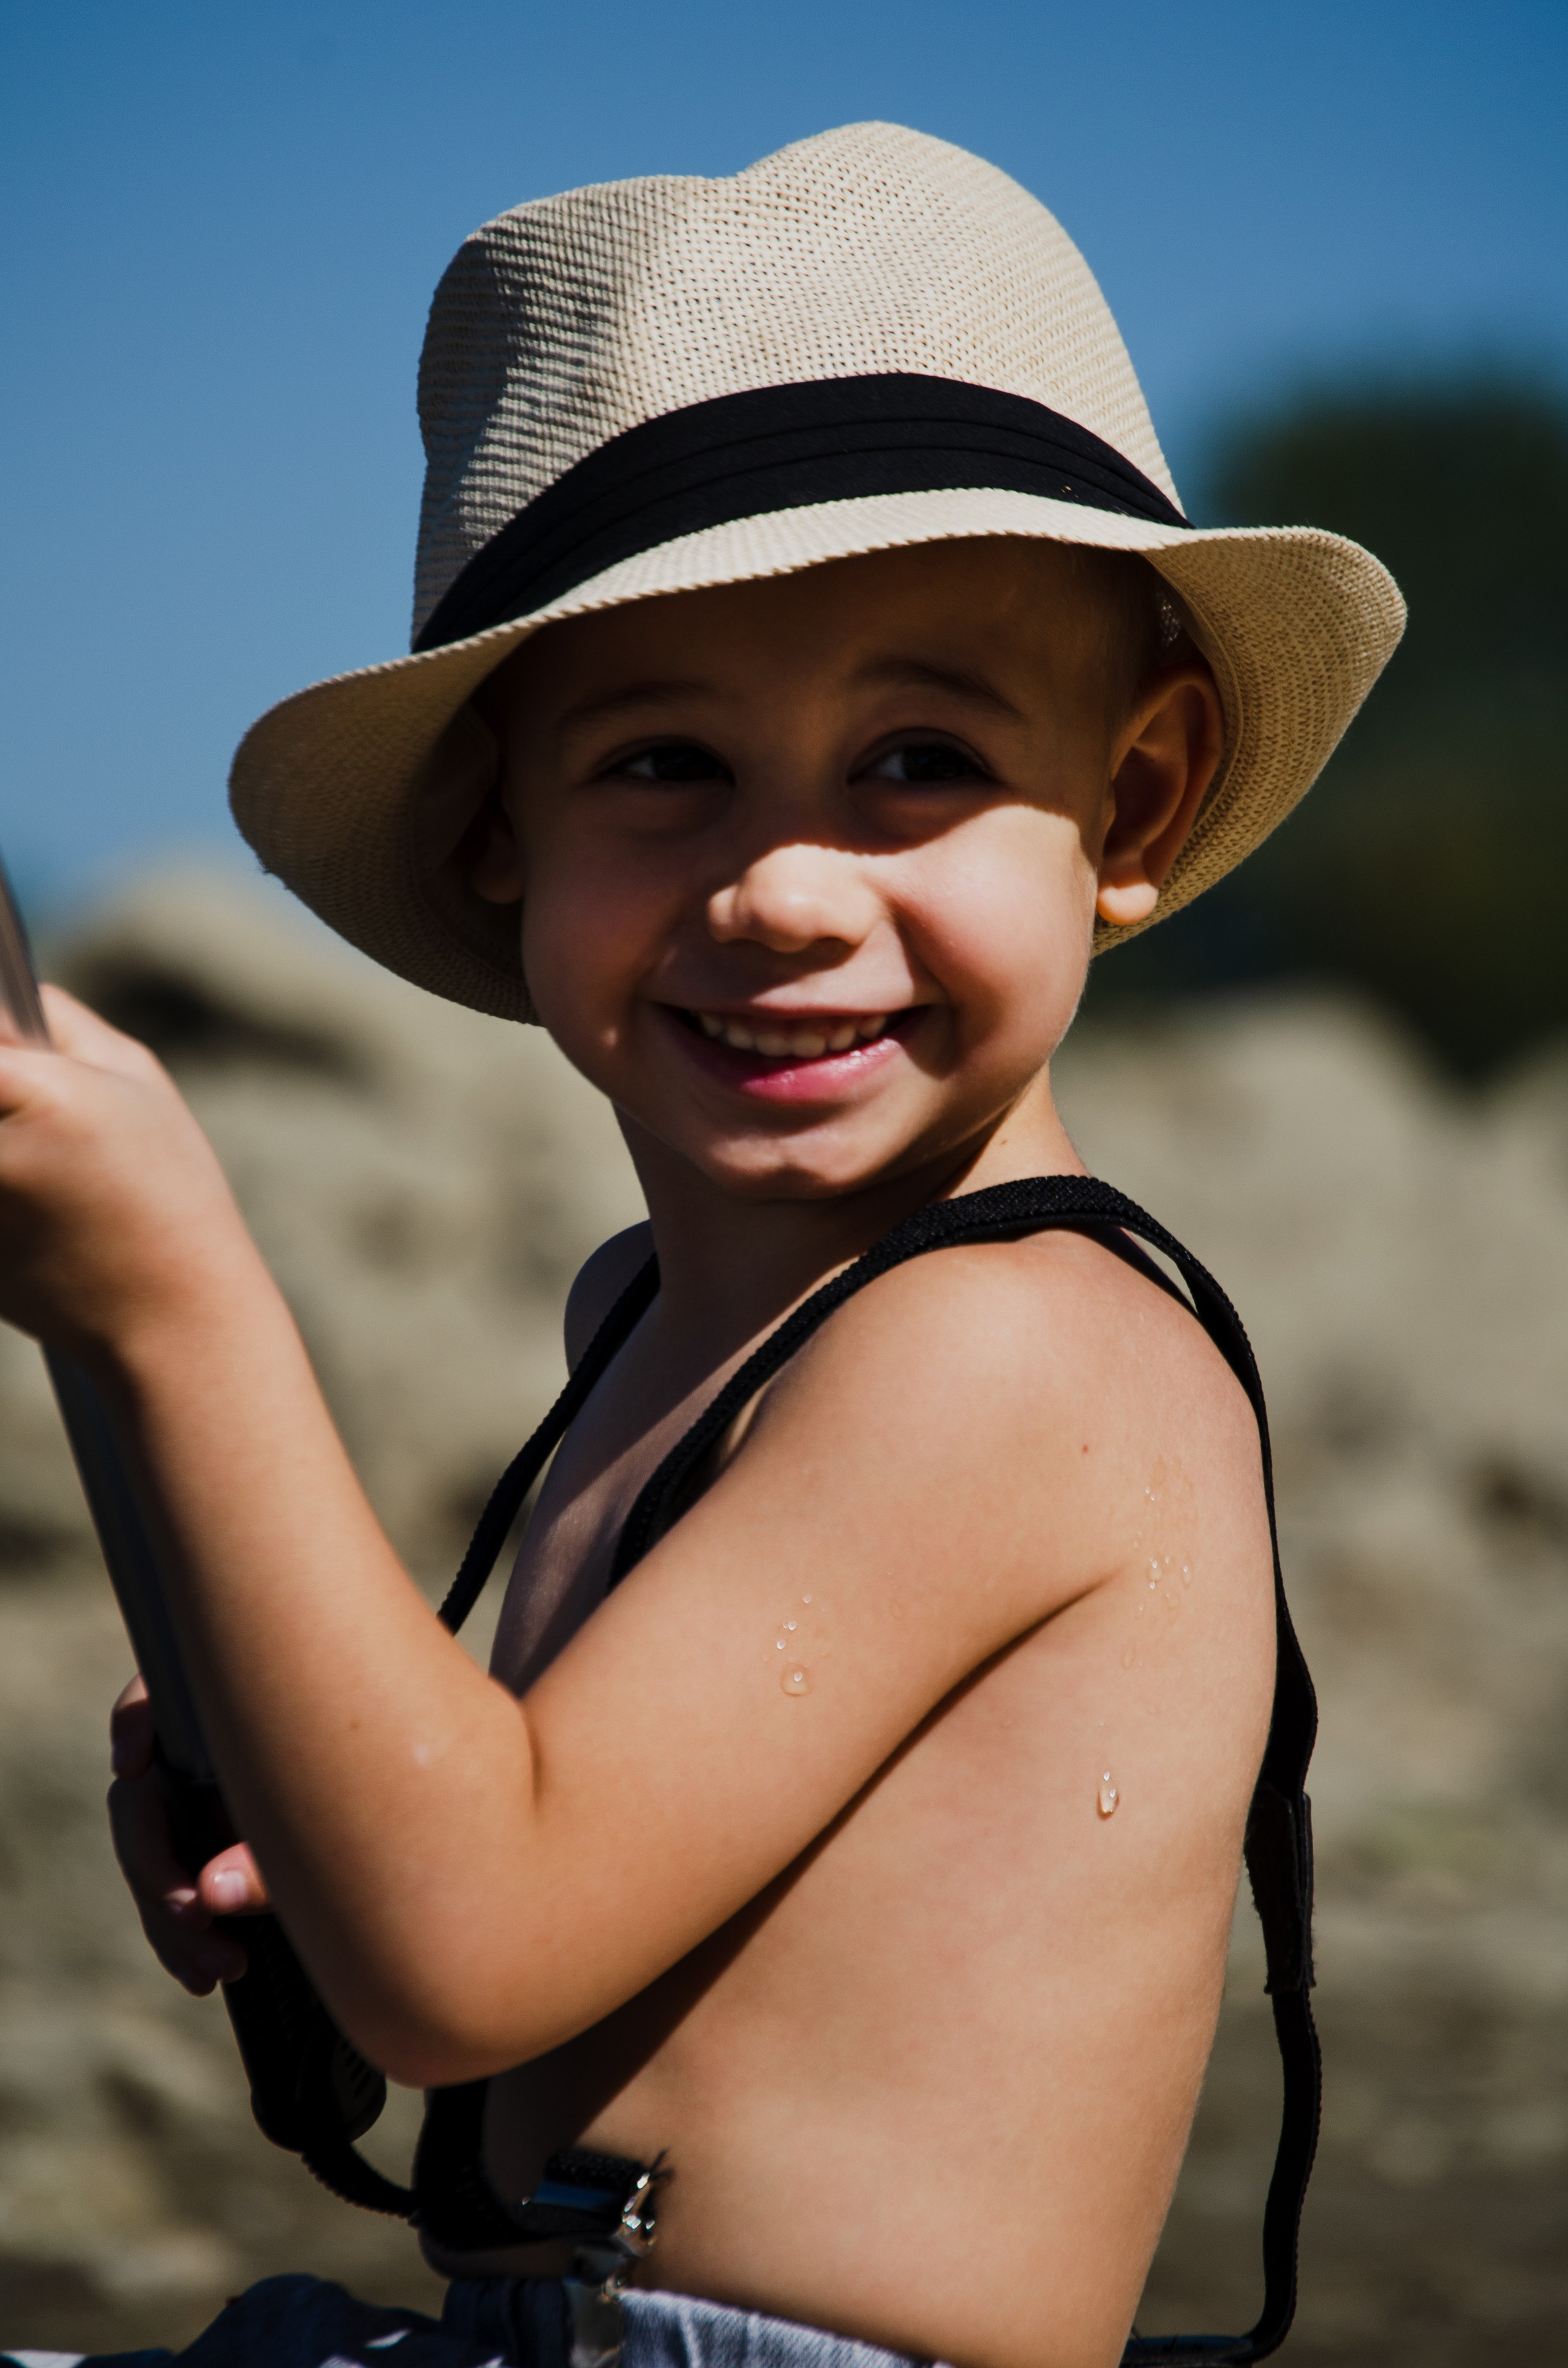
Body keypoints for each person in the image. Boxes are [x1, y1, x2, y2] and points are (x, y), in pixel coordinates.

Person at [0, 124, 1402, 2368]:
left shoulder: (1015, 1352)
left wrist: (167, 1288)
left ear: (1130, 804)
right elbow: (517, 1871)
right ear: (503, 834)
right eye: (664, 763)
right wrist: (298, 1774)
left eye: (918, 759)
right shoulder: (648, 1311)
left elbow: (462, 1948)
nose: (783, 890)